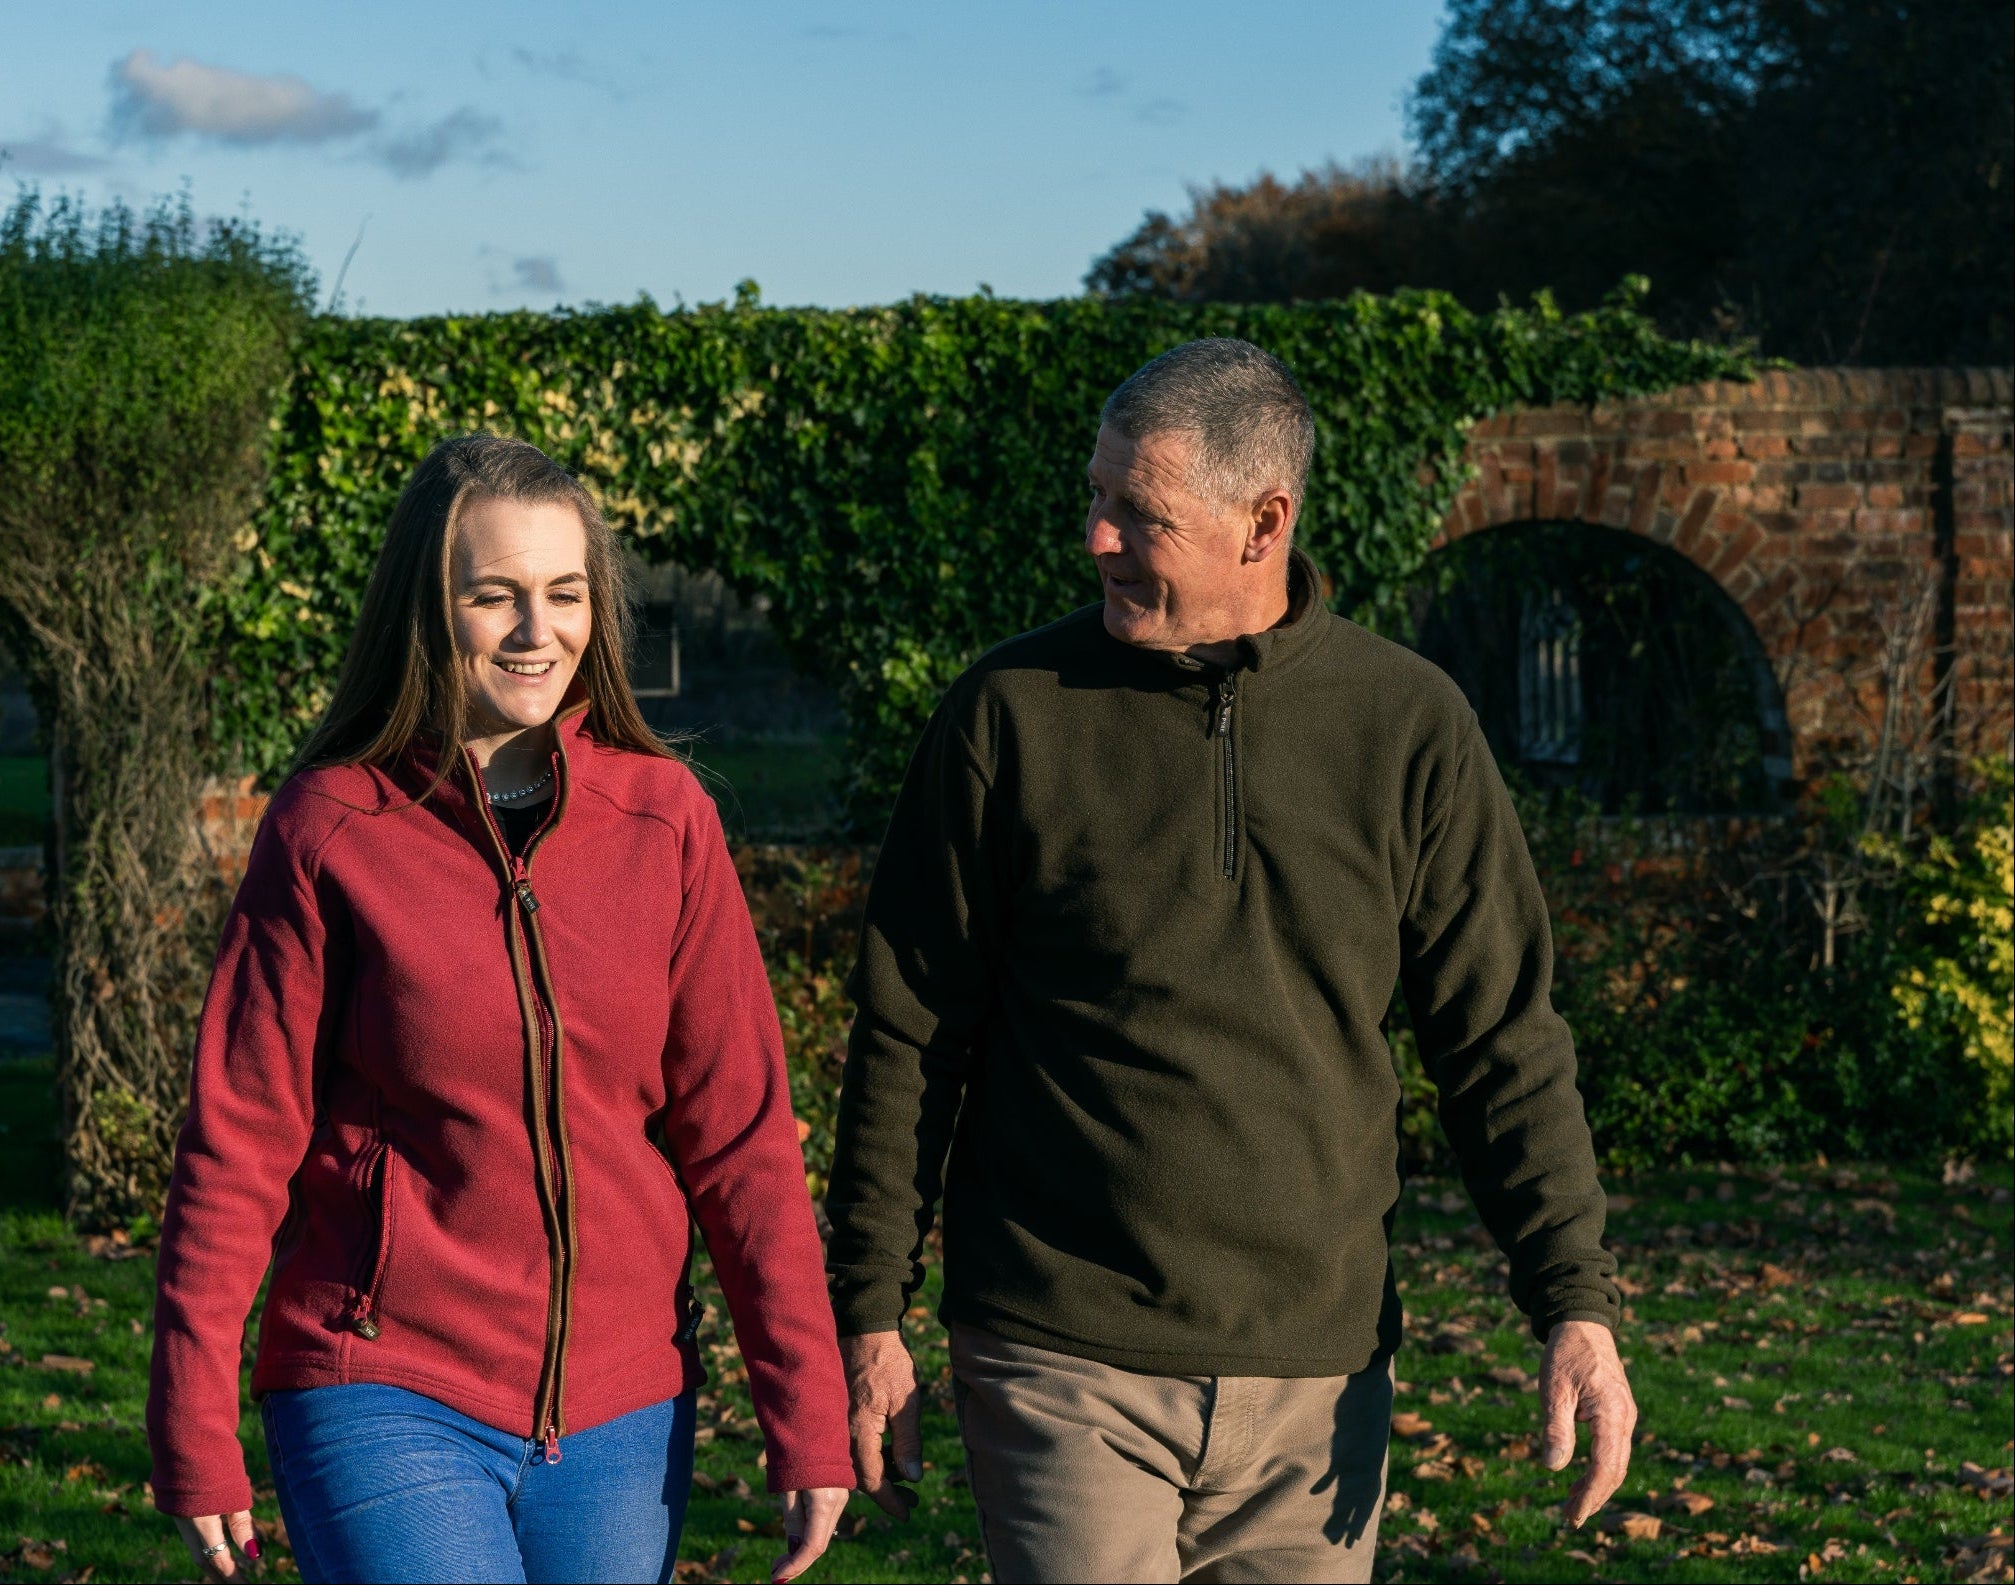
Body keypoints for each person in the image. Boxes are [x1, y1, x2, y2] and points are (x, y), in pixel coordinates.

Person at [826, 339, 1636, 1583]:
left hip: (1317, 1386)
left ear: (1265, 522)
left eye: (1135, 514)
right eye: (1093, 497)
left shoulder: (1407, 726)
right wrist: (868, 1311)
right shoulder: (1008, 712)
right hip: (1059, 1352)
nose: (1094, 537)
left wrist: (1570, 1300)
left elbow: (1500, 1042)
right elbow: (910, 1028)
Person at [146, 435, 853, 1585]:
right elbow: (237, 1142)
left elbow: (743, 1142)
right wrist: (190, 1415)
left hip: (623, 1409)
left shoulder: (665, 821)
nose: (538, 630)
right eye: (495, 596)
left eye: (564, 593)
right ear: (428, 611)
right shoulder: (330, 827)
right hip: (382, 1382)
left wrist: (805, 1410)